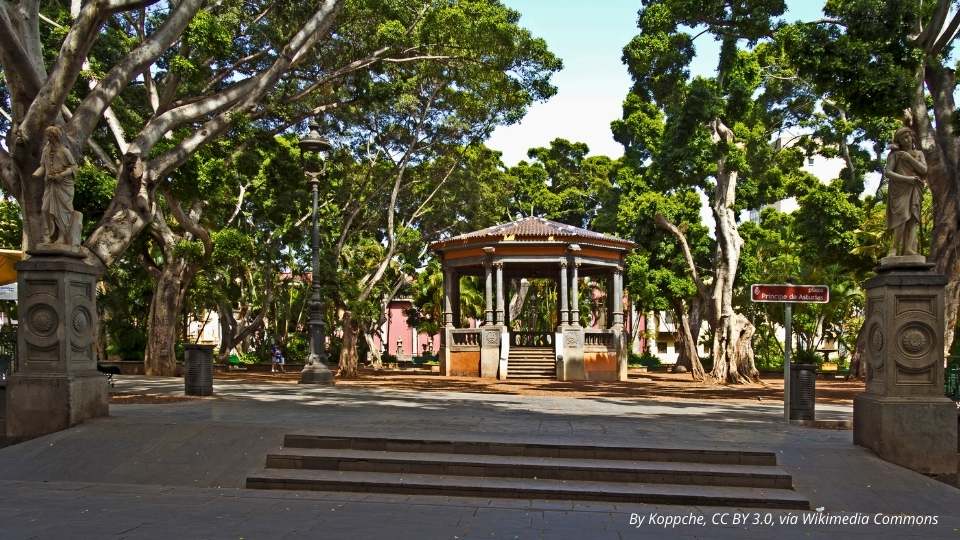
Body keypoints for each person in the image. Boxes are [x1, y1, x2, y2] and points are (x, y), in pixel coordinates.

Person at [884, 125, 927, 257]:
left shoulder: (918, 153)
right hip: (899, 189)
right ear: (899, 141)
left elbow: (924, 170)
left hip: (915, 188)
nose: (907, 140)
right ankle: (894, 248)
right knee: (902, 218)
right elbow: (888, 173)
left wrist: (909, 158)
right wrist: (906, 179)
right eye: (903, 138)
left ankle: (909, 248)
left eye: (908, 136)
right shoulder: (895, 154)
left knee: (913, 218)